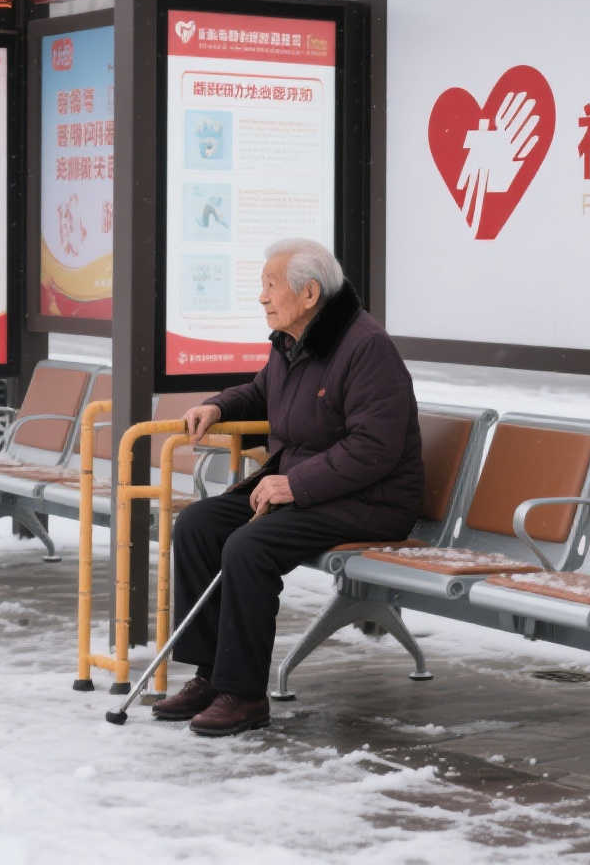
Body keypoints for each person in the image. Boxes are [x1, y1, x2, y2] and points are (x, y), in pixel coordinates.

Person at [153, 238, 424, 736]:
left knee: (249, 546)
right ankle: (211, 675)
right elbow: (261, 393)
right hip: (314, 489)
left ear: (309, 294)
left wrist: (294, 483)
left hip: (372, 500)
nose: (262, 297)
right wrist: (219, 406)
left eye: (270, 286)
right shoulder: (292, 343)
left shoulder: (366, 348)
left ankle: (244, 695)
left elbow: (374, 448)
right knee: (198, 524)